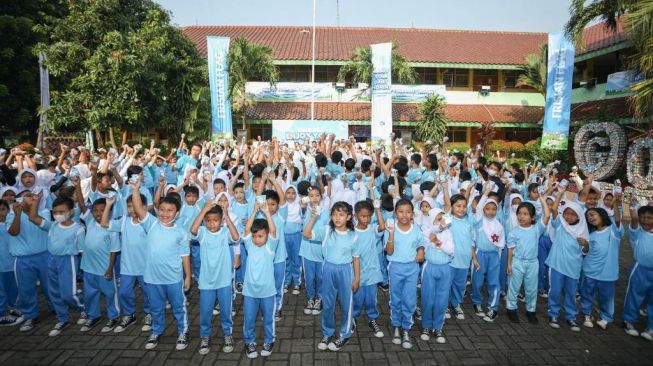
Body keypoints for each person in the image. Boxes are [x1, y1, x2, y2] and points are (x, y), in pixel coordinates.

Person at [129, 179, 192, 351]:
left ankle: (183, 331)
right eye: (162, 210)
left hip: (173, 278)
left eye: (170, 211)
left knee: (179, 307)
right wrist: (135, 189)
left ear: (177, 214)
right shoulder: (152, 224)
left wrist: (187, 276)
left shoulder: (180, 232)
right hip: (152, 278)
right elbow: (138, 208)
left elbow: (185, 255)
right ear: (158, 211)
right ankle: (157, 331)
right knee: (156, 307)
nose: (165, 213)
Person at [304, 201, 360, 351]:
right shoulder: (327, 230)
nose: (337, 218)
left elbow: (356, 258)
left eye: (341, 214)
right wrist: (313, 218)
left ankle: (345, 334)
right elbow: (306, 234)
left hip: (345, 271)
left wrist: (357, 278)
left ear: (348, 217)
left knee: (346, 304)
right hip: (328, 268)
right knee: (328, 303)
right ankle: (327, 332)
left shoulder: (354, 236)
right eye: (334, 214)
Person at [27, 196, 86, 336]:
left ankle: (84, 308)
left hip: (68, 261)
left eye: (62, 211)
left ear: (71, 211)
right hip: (51, 260)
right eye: (55, 212)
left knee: (68, 293)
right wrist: (35, 201)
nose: (58, 215)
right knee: (53, 291)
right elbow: (33, 217)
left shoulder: (78, 229)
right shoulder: (52, 225)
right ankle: (62, 318)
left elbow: (83, 251)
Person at [190, 199, 240, 355]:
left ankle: (227, 334)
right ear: (205, 221)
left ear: (221, 221)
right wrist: (204, 210)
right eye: (209, 221)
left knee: (226, 311)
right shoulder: (203, 233)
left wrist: (226, 215)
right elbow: (193, 230)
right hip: (206, 282)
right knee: (205, 312)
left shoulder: (225, 232)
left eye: (216, 221)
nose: (212, 224)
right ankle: (205, 336)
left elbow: (236, 237)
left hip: (224, 280)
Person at [100, 193, 152, 333]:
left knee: (148, 293)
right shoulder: (123, 221)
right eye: (129, 206)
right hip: (127, 267)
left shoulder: (147, 223)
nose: (132, 209)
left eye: (136, 206)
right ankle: (129, 315)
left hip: (145, 267)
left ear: (144, 207)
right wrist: (109, 204)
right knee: (124, 292)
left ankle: (149, 313)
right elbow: (104, 223)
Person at [7, 192, 53, 331]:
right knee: (26, 289)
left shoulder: (44, 212)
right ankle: (30, 315)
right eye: (28, 196)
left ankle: (57, 309)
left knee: (50, 286)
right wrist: (18, 215)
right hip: (23, 259)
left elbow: (47, 227)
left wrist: (31, 210)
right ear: (21, 200)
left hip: (45, 255)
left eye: (34, 196)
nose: (32, 198)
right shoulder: (12, 215)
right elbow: (13, 232)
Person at [546, 189, 590, 331]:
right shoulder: (560, 225)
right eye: (567, 213)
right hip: (557, 264)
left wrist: (585, 244)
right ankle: (553, 313)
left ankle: (571, 316)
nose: (569, 217)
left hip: (573, 267)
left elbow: (586, 252)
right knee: (555, 291)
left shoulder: (583, 230)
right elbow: (553, 209)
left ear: (579, 216)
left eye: (573, 214)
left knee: (571, 292)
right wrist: (560, 193)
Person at [385, 199, 425, 350]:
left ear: (412, 214)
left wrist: (421, 250)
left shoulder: (416, 229)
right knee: (396, 298)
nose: (404, 215)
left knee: (409, 299)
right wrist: (391, 235)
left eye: (408, 212)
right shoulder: (391, 228)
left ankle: (406, 328)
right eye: (401, 211)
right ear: (395, 213)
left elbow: (421, 243)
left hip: (412, 268)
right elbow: (389, 251)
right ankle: (396, 326)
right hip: (395, 267)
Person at [505, 193, 550, 324]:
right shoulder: (514, 232)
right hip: (517, 262)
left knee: (531, 288)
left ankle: (531, 310)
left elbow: (547, 215)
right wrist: (509, 264)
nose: (521, 217)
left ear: (532, 217)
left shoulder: (537, 229)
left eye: (525, 214)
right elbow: (510, 249)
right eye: (519, 213)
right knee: (514, 286)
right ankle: (511, 309)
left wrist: (542, 199)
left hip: (532, 263)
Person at [78, 197, 121, 333]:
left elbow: (114, 251)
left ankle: (113, 316)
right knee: (90, 293)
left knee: (110, 293)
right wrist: (78, 185)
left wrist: (110, 269)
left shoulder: (111, 227)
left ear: (109, 212)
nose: (98, 213)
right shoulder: (90, 221)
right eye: (95, 211)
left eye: (102, 211)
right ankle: (93, 315)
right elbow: (81, 204)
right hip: (88, 267)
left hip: (104, 269)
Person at [242, 202, 278, 359]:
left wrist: (266, 212)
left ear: (267, 235)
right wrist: (255, 210)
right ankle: (249, 341)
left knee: (268, 319)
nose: (257, 239)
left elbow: (274, 229)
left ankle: (269, 340)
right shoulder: (249, 245)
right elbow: (246, 229)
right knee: (249, 319)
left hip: (268, 291)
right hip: (250, 291)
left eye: (261, 235)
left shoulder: (270, 247)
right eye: (255, 236)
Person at [581, 201, 622, 330]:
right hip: (590, 271)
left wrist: (617, 203)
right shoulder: (591, 235)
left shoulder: (613, 232)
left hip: (607, 274)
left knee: (607, 297)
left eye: (593, 214)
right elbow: (586, 252)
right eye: (588, 217)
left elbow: (617, 220)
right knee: (587, 294)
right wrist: (586, 245)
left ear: (602, 215)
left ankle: (606, 318)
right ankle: (586, 314)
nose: (591, 218)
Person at [351, 200, 386, 338]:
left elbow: (382, 227)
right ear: (355, 216)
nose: (366, 219)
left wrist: (377, 209)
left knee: (371, 299)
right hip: (357, 272)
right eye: (363, 216)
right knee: (357, 298)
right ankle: (353, 317)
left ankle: (372, 319)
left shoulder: (372, 229)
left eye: (368, 216)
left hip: (372, 272)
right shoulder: (352, 232)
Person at [471, 183, 504, 322]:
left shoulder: (499, 224)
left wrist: (499, 259)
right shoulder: (479, 221)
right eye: (488, 208)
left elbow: (501, 245)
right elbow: (478, 207)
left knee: (494, 282)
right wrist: (487, 192)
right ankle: (477, 302)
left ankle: (493, 308)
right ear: (483, 209)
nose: (490, 211)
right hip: (480, 254)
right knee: (477, 281)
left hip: (494, 256)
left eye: (493, 209)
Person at [420, 208, 454, 343]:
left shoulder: (449, 233)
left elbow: (451, 250)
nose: (442, 222)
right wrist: (436, 233)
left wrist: (440, 245)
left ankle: (438, 326)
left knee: (442, 299)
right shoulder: (426, 231)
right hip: (430, 268)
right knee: (428, 298)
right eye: (438, 219)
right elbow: (431, 234)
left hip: (445, 269)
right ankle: (426, 326)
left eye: (443, 219)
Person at [622, 204, 653, 340]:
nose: (645, 220)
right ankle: (629, 321)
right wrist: (633, 209)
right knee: (634, 295)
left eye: (649, 218)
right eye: (643, 218)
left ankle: (651, 328)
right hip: (639, 269)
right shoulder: (637, 232)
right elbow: (634, 220)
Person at [0, 199, 20, 325]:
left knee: (13, 288)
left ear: (8, 210)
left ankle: (12, 307)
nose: (0, 212)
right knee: (1, 291)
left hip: (11, 263)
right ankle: (1, 315)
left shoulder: (11, 224)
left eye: (3, 209)